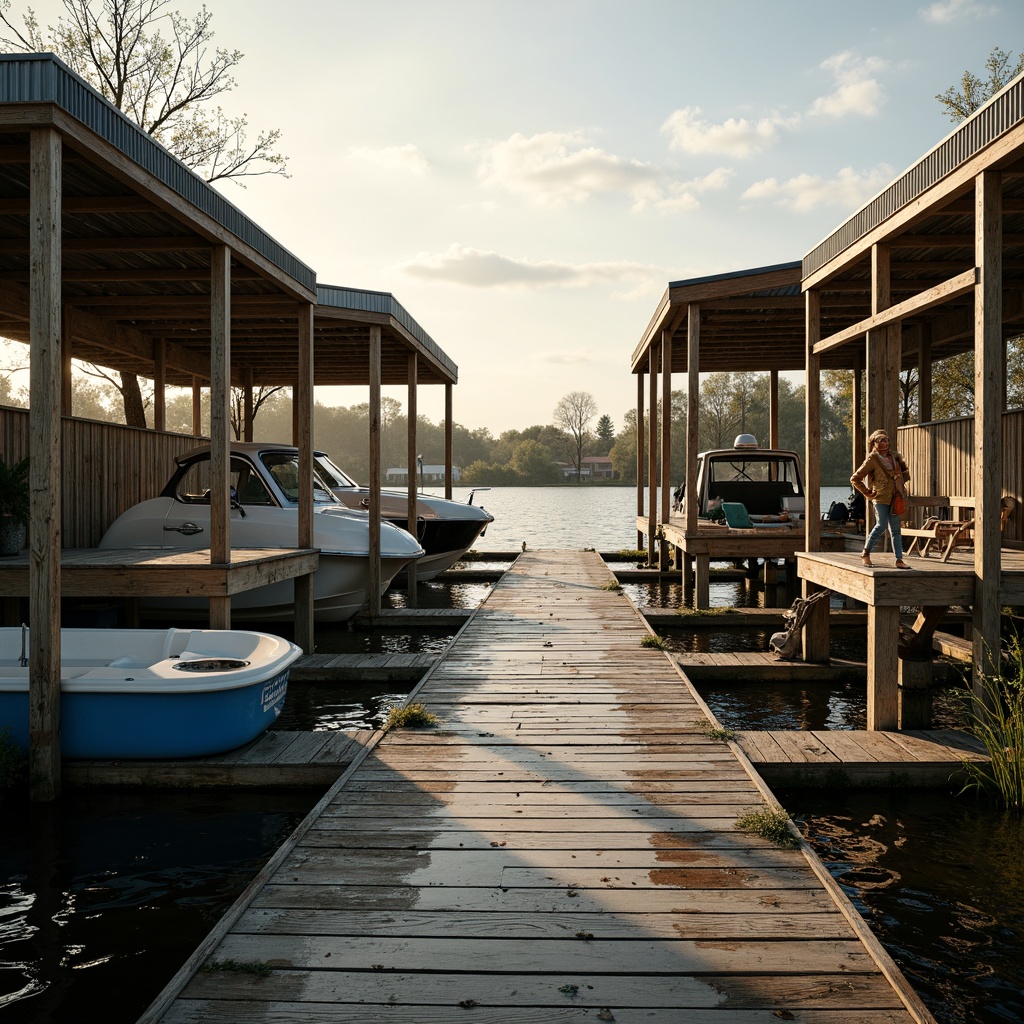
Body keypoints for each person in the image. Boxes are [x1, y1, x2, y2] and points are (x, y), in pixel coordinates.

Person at [850, 429, 911, 569]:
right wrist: (867, 492)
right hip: (880, 497)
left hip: (895, 497)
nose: (884, 443)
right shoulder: (872, 459)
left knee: (896, 530)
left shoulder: (895, 456)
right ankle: (865, 553)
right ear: (874, 443)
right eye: (880, 440)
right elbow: (855, 478)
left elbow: (906, 474)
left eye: (886, 440)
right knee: (881, 525)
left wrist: (901, 486)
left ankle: (899, 560)